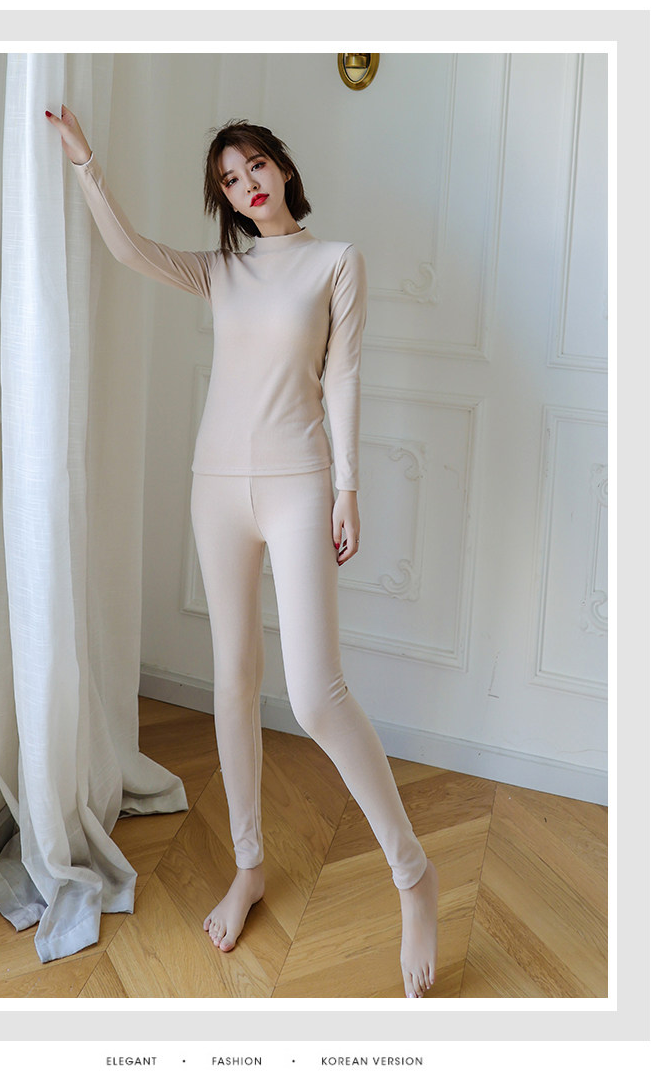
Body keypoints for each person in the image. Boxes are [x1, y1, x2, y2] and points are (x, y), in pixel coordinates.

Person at [45, 105, 439, 999]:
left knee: (316, 694)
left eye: (256, 165)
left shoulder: (335, 262)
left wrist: (347, 487)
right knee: (232, 682)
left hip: (299, 484)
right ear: (223, 198)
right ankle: (250, 866)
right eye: (229, 178)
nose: (246, 184)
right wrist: (86, 164)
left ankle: (413, 875)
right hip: (215, 488)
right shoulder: (220, 269)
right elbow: (129, 249)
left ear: (284, 169)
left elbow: (344, 376)